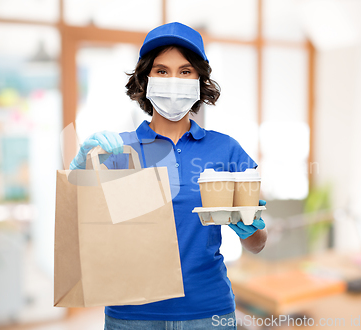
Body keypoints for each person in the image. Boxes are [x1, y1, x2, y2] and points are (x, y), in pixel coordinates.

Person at [70, 22, 267, 329]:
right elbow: (80, 230)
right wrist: (80, 172)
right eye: (162, 71)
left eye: (185, 71)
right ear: (145, 79)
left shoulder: (226, 150)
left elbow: (257, 243)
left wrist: (246, 223)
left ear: (199, 79)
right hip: (131, 316)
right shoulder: (120, 151)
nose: (173, 80)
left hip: (208, 313)